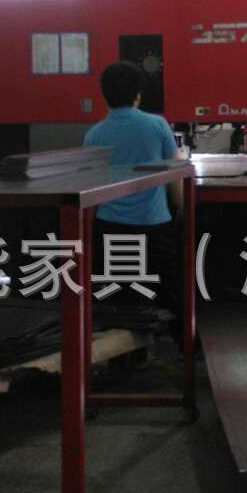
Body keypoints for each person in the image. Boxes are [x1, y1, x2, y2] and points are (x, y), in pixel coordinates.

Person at [83, 61, 184, 337]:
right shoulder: (157, 125)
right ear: (138, 94)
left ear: (104, 95)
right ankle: (186, 345)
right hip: (154, 225)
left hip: (111, 225)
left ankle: (125, 352)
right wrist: (182, 209)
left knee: (119, 294)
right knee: (170, 290)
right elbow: (175, 174)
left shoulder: (93, 135)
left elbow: (91, 186)